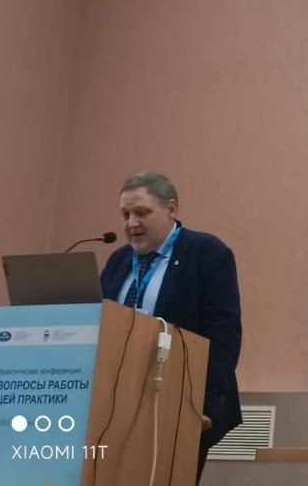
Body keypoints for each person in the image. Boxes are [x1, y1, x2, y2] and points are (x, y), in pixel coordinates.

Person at [100, 172, 243, 481]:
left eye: (142, 212)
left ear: (171, 209)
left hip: (180, 404)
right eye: (125, 214)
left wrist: (204, 406)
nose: (131, 223)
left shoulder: (207, 253)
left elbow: (224, 334)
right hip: (116, 404)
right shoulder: (118, 261)